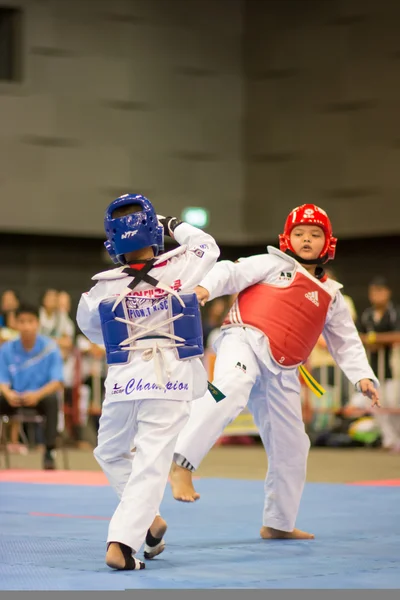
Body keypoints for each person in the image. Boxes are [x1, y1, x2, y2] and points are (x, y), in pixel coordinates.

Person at [170, 204, 380, 541]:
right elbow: (228, 272)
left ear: (328, 242)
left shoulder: (332, 297)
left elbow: (346, 341)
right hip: (244, 341)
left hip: (283, 371)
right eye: (300, 234)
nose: (307, 240)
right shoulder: (271, 263)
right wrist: (205, 289)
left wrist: (363, 376)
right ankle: (181, 463)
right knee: (232, 385)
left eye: (315, 234)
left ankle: (279, 522)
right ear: (287, 238)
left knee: (293, 444)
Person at [76, 193, 219, 571]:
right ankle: (122, 545)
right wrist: (174, 223)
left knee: (110, 452)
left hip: (124, 382)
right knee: (152, 463)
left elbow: (95, 332)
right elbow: (209, 246)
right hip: (170, 380)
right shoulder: (181, 266)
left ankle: (148, 521)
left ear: (112, 244)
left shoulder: (98, 292)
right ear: (154, 232)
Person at [0, 303, 64, 469]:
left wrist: (37, 395)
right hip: (14, 398)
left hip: (40, 398)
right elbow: (2, 379)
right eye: (22, 321)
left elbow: (57, 381)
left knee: (52, 400)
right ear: (16, 324)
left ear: (37, 323)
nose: (26, 326)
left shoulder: (51, 348)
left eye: (30, 321)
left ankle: (49, 452)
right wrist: (8, 394)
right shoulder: (6, 349)